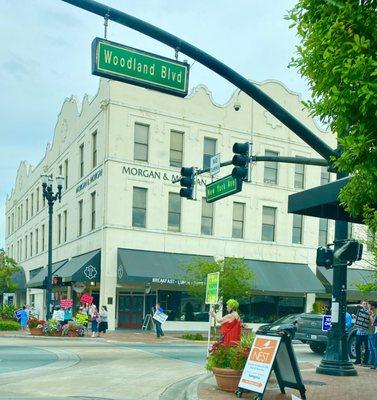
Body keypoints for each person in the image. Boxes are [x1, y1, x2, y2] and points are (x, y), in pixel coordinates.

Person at [354, 300, 370, 365]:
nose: (365, 305)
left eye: (366, 304)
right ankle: (358, 359)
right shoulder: (359, 311)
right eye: (364, 304)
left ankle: (365, 361)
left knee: (367, 347)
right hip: (359, 332)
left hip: (366, 333)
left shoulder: (368, 312)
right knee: (357, 346)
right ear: (361, 304)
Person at [368, 304, 377, 369]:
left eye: (370, 306)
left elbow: (373, 323)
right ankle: (373, 362)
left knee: (374, 348)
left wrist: (370, 316)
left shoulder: (375, 314)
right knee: (372, 348)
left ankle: (375, 363)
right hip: (371, 332)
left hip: (374, 332)